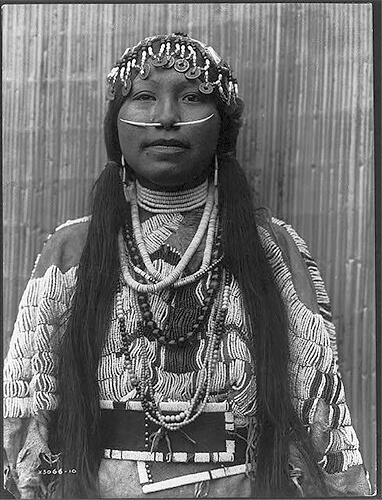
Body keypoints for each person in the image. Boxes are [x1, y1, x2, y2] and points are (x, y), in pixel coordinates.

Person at [3, 33, 372, 499]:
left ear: (222, 126)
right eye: (143, 97)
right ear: (116, 124)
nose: (166, 118)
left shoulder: (269, 249)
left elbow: (318, 404)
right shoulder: (70, 251)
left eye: (192, 98)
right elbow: (29, 405)